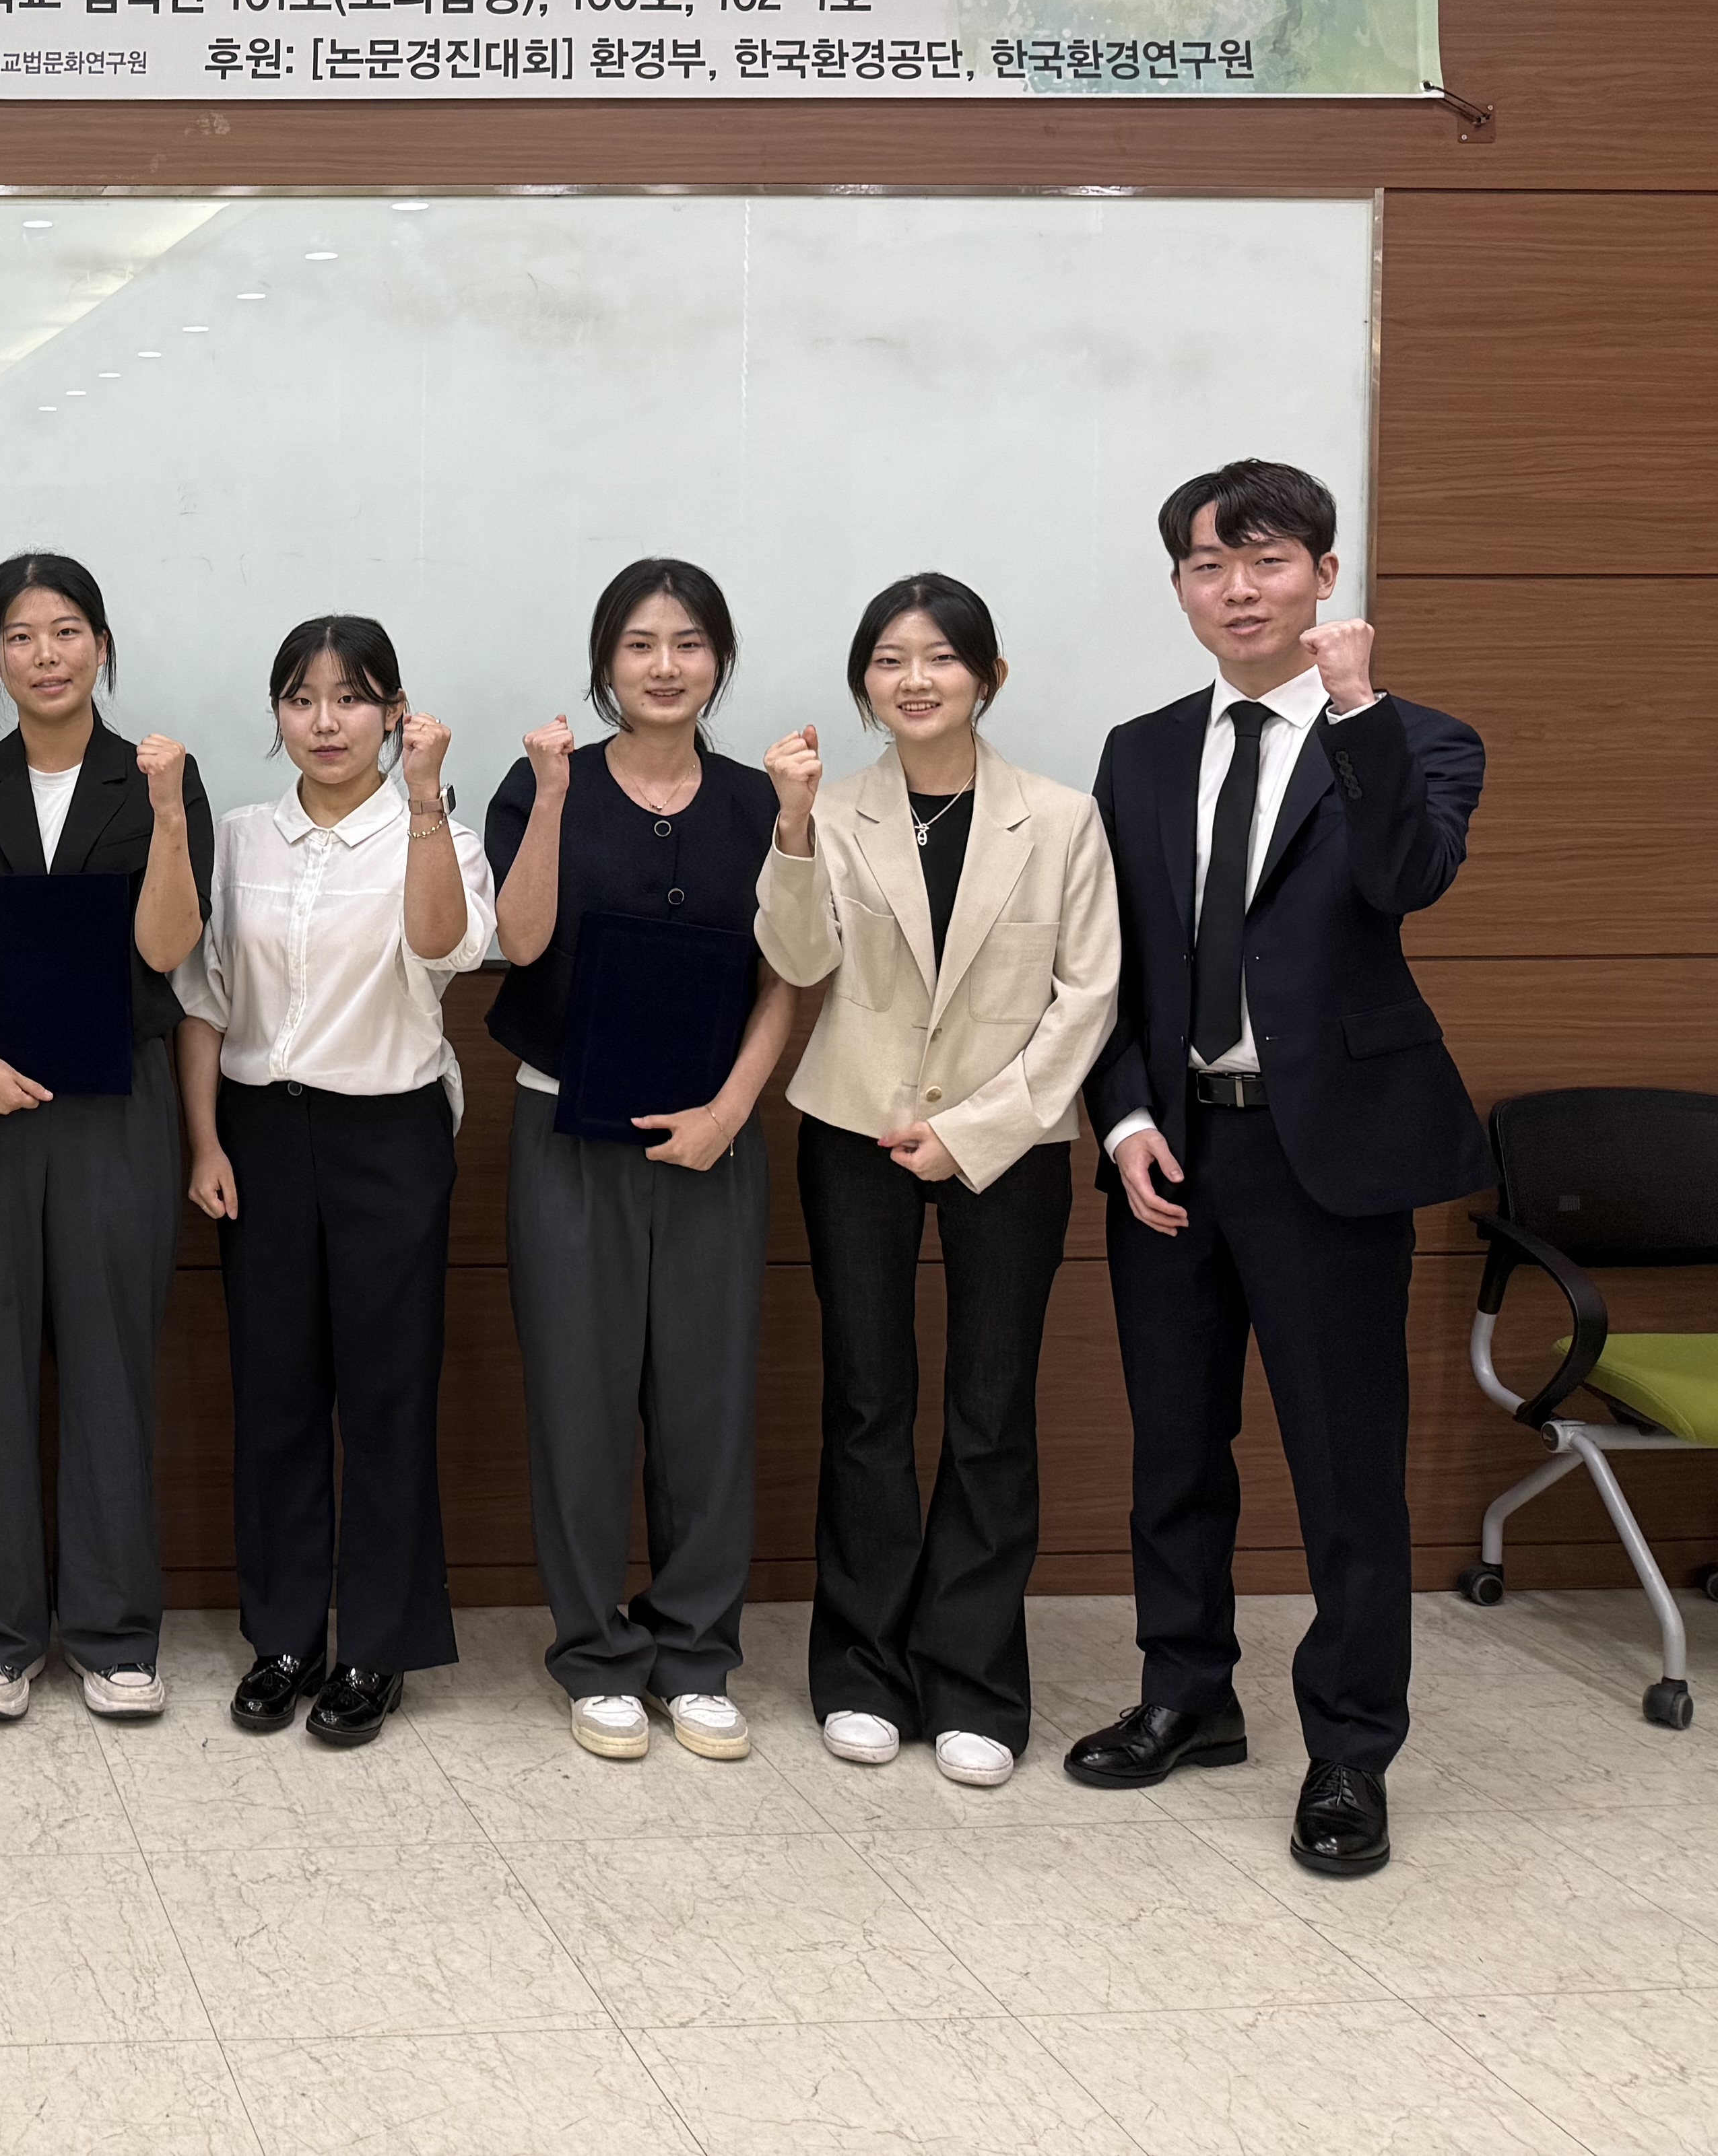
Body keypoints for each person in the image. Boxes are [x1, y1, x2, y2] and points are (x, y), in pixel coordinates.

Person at [1067, 461, 1486, 1879]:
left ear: (1323, 574)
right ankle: (1186, 1696)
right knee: (1174, 1448)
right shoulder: (1137, 753)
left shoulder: (1415, 738)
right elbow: (1112, 966)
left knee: (1345, 1468)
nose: (1238, 590)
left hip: (1332, 1158)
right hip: (1174, 1146)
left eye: (1267, 562)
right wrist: (1124, 1118)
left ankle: (1352, 1750)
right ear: (1180, 587)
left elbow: (1406, 880)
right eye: (1208, 565)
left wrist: (1356, 712)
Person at [757, 577, 1120, 1791]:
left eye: (941, 658)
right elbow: (797, 958)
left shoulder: (1060, 818)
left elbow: (1088, 997)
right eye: (889, 660)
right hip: (852, 1124)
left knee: (990, 1410)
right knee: (866, 1401)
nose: (914, 680)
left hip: (1009, 1142)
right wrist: (792, 830)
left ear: (987, 676)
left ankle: (974, 1683)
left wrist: (975, 1132)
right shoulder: (833, 810)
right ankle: (863, 1672)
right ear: (865, 682)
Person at [0, 551, 212, 1724]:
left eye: (68, 631)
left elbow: (168, 950)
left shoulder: (159, 780)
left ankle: (118, 1636)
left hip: (117, 1108)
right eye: (21, 636)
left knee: (113, 1368)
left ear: (102, 647)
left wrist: (168, 816)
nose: (46, 655)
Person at [486, 558, 798, 1767]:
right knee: (579, 1401)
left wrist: (732, 1109)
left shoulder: (758, 802)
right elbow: (519, 944)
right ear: (605, 664)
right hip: (567, 1129)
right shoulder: (541, 783)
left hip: (715, 1135)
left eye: (688, 643)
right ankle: (595, 1655)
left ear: (719, 660)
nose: (665, 666)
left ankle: (696, 1653)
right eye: (638, 645)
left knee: (708, 1401)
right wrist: (556, 799)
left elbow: (789, 975)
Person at [173, 617, 492, 1750]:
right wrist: (205, 1144)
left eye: (352, 699)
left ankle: (376, 1647)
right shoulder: (242, 836)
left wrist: (424, 802)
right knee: (276, 1394)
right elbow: (206, 999)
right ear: (277, 713)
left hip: (389, 1133)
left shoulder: (435, 831)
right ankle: (286, 1637)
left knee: (388, 1397)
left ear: (395, 712)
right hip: (260, 1132)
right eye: (302, 699)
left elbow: (446, 948)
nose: (325, 722)